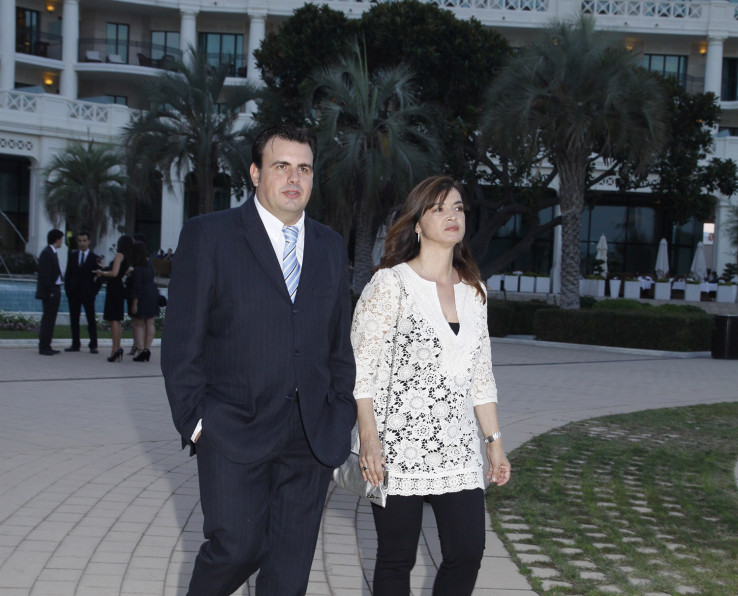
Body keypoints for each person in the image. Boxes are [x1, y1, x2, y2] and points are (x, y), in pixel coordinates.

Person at [161, 124, 356, 596]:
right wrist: (197, 424)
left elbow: (339, 344)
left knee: (288, 573)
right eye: (281, 166)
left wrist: (339, 413)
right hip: (233, 428)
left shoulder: (330, 245)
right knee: (236, 549)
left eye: (304, 169)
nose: (294, 178)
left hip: (311, 435)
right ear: (254, 173)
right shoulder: (209, 235)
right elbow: (182, 343)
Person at [352, 176, 511, 596]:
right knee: (396, 558)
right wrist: (369, 437)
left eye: (457, 208)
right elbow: (361, 368)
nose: (451, 215)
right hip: (396, 446)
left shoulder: (475, 292)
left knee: (468, 552)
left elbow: (481, 375)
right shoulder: (391, 284)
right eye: (438, 208)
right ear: (417, 223)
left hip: (458, 448)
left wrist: (494, 443)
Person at [96, 235, 134, 362]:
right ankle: (117, 347)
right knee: (117, 320)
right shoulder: (127, 258)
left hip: (113, 288)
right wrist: (104, 267)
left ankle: (115, 348)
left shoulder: (119, 255)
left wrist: (102, 272)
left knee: (113, 319)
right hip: (120, 288)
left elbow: (114, 273)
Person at [63, 230, 101, 354]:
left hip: (88, 293)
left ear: (89, 241)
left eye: (84, 241)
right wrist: (68, 290)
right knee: (74, 319)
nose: (82, 243)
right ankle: (75, 344)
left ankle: (93, 344)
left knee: (91, 319)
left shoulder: (95, 258)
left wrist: (94, 291)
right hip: (74, 293)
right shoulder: (72, 255)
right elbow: (68, 274)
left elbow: (99, 277)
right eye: (80, 241)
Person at [35, 228, 65, 355]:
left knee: (51, 319)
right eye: (61, 239)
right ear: (57, 239)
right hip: (51, 292)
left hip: (55, 289)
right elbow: (44, 275)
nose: (62, 242)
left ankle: (47, 344)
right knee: (48, 319)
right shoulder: (47, 253)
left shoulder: (51, 252)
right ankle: (44, 346)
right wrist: (51, 291)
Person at [129, 241, 159, 362]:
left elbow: (136, 287)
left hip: (142, 296)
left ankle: (140, 350)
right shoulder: (150, 265)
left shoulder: (137, 269)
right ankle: (147, 349)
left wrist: (134, 303)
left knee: (138, 323)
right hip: (152, 293)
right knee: (150, 323)